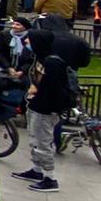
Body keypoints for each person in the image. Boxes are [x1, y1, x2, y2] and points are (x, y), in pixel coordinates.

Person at [15, 44, 76, 193]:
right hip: (36, 106)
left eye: (31, 40)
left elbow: (51, 87)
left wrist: (38, 92)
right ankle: (37, 170)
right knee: (35, 140)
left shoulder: (52, 63)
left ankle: (50, 178)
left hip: (45, 109)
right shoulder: (40, 59)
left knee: (43, 142)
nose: (27, 42)